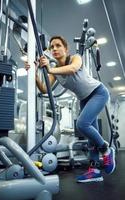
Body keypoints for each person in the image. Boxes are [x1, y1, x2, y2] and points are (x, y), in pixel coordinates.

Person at [25, 35, 116, 183]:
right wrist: (34, 73)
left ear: (66, 49)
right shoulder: (55, 70)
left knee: (82, 124)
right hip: (84, 99)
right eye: (52, 46)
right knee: (91, 136)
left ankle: (106, 149)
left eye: (58, 45)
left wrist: (49, 69)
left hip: (98, 93)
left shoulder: (75, 58)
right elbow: (43, 89)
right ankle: (95, 171)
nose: (54, 49)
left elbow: (73, 69)